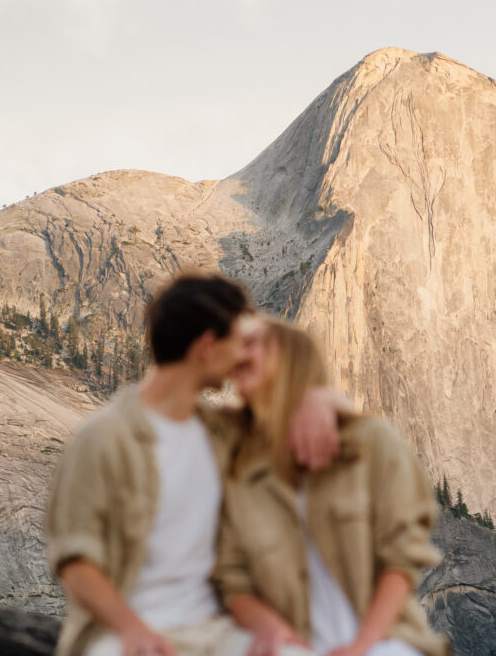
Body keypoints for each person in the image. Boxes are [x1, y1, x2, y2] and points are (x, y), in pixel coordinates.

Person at [45, 274, 340, 656]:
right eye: (237, 342)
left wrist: (315, 395)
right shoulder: (104, 439)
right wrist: (134, 631)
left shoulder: (219, 432)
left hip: (213, 633)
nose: (243, 356)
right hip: (120, 635)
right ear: (207, 346)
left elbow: (293, 425)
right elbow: (75, 560)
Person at [214, 319, 448, 656]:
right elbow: (232, 579)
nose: (239, 352)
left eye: (253, 343)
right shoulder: (238, 467)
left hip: (382, 643)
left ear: (289, 358)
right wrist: (275, 633)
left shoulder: (373, 443)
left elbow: (403, 557)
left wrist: (361, 646)